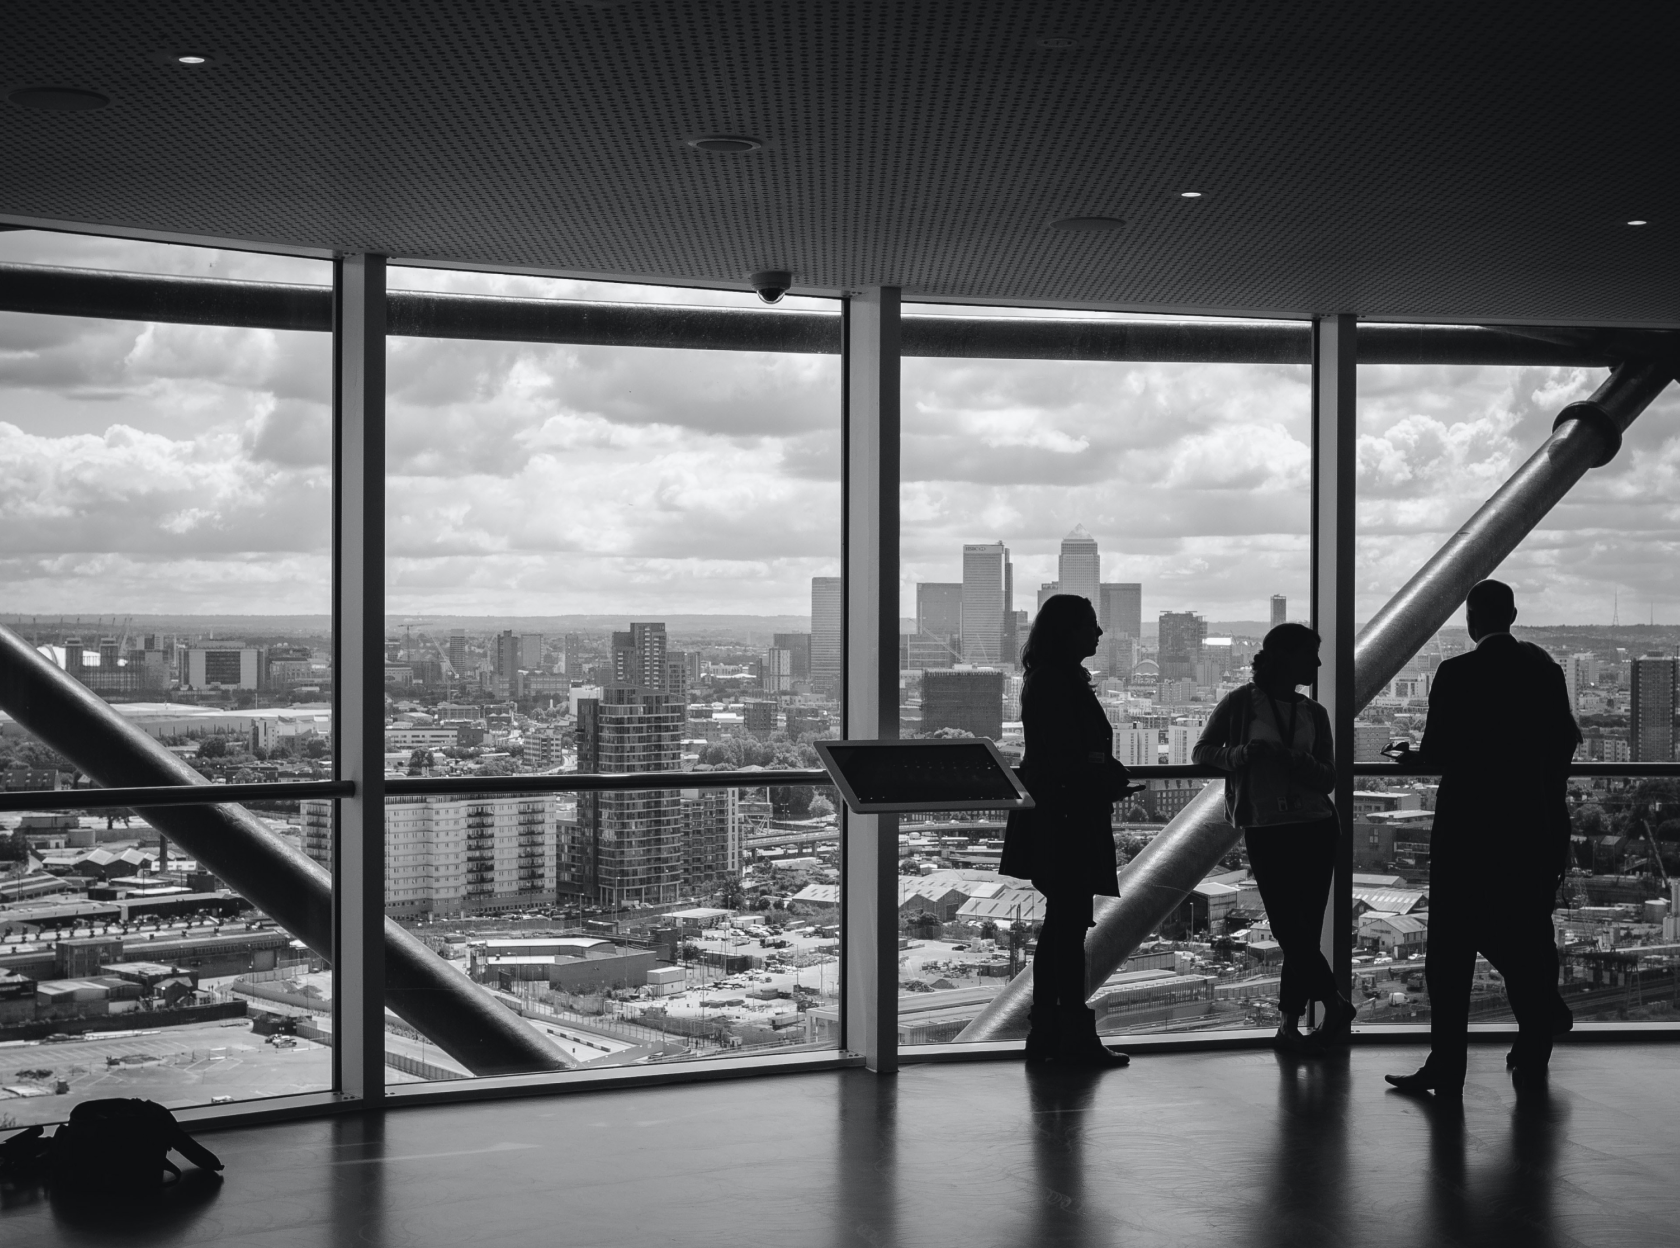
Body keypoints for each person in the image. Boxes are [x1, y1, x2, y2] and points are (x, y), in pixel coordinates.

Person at [1386, 579, 1581, 1096]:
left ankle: (1448, 1066)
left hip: (1469, 828)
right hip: (1531, 826)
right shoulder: (1546, 673)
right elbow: (1564, 742)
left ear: (1472, 620)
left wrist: (1410, 759)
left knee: (1450, 953)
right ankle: (1536, 1039)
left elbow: (1439, 752)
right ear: (1513, 614)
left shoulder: (1457, 672)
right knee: (1525, 931)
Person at [1193, 623, 1356, 1054]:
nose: (1318, 664)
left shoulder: (1313, 713)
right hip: (1270, 826)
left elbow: (1328, 777)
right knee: (1292, 929)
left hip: (1315, 826)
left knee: (1298, 930)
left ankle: (1288, 1025)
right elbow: (1203, 752)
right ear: (1285, 658)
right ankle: (1334, 1004)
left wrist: (1289, 759)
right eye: (1310, 655)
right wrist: (1241, 755)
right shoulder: (1241, 705)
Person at [999, 594, 1132, 1068]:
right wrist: (1103, 775)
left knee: (1063, 926)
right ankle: (1068, 1032)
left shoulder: (1046, 679)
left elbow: (1059, 752)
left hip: (1055, 811)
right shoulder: (1060, 682)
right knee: (1067, 927)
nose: (1098, 635)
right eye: (1090, 626)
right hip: (1068, 814)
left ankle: (1052, 1032)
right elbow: (1069, 754)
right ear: (1068, 632)